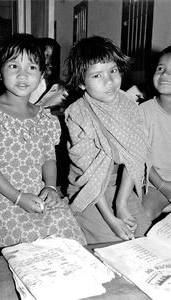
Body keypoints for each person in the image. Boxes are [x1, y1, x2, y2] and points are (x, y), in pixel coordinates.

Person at [0, 33, 86, 280]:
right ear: (0, 72)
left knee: (68, 235)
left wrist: (51, 186)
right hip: (3, 198)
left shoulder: (43, 117)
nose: (22, 75)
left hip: (37, 193)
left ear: (42, 74)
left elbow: (48, 156)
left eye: (31, 67)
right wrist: (18, 198)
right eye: (13, 66)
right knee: (21, 261)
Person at [64, 35, 152, 244]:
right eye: (97, 76)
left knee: (143, 240)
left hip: (121, 184)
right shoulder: (77, 114)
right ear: (81, 83)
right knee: (109, 244)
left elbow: (135, 154)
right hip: (90, 193)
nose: (109, 81)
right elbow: (89, 175)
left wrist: (121, 203)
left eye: (113, 71)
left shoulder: (128, 104)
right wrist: (110, 218)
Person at [141, 46, 171, 222]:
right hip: (154, 184)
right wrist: (163, 186)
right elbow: (141, 158)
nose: (165, 74)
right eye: (161, 69)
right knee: (144, 216)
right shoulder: (143, 112)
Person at [30, 37, 68, 108]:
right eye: (46, 56)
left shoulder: (61, 89)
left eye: (54, 57)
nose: (50, 62)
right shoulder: (28, 85)